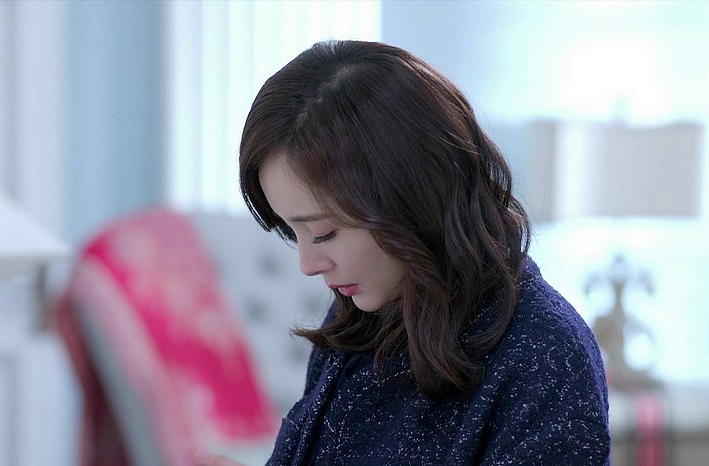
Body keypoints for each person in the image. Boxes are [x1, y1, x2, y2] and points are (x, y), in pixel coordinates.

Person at [198, 40, 610, 465]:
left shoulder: (546, 354)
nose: (308, 265)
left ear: (414, 199)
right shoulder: (358, 323)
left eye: (324, 233)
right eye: (292, 231)